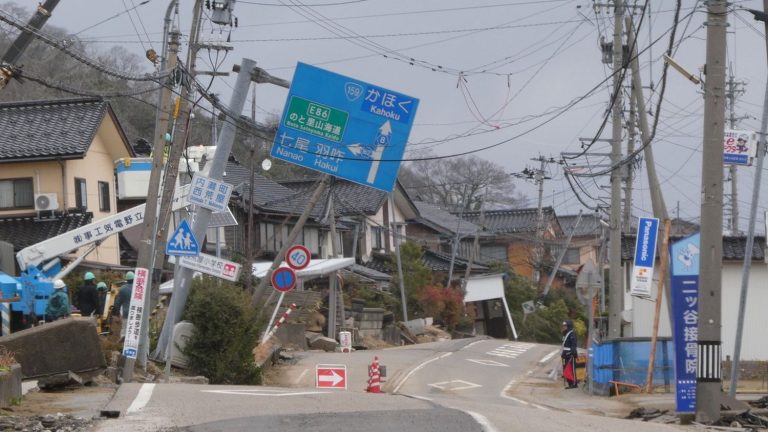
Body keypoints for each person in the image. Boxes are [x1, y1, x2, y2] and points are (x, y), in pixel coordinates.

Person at [112, 271, 134, 341]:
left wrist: (117, 312)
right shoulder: (138, 289)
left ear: (126, 279)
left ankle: (122, 346)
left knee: (125, 329)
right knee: (134, 330)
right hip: (136, 312)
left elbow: (118, 303)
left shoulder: (122, 289)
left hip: (126, 313)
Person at [561, 319, 579, 389]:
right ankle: (570, 383)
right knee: (566, 369)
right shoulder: (565, 333)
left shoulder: (572, 334)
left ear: (569, 326)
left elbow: (573, 345)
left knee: (572, 369)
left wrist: (572, 353)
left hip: (570, 354)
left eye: (565, 326)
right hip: (565, 354)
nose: (564, 327)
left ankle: (574, 383)